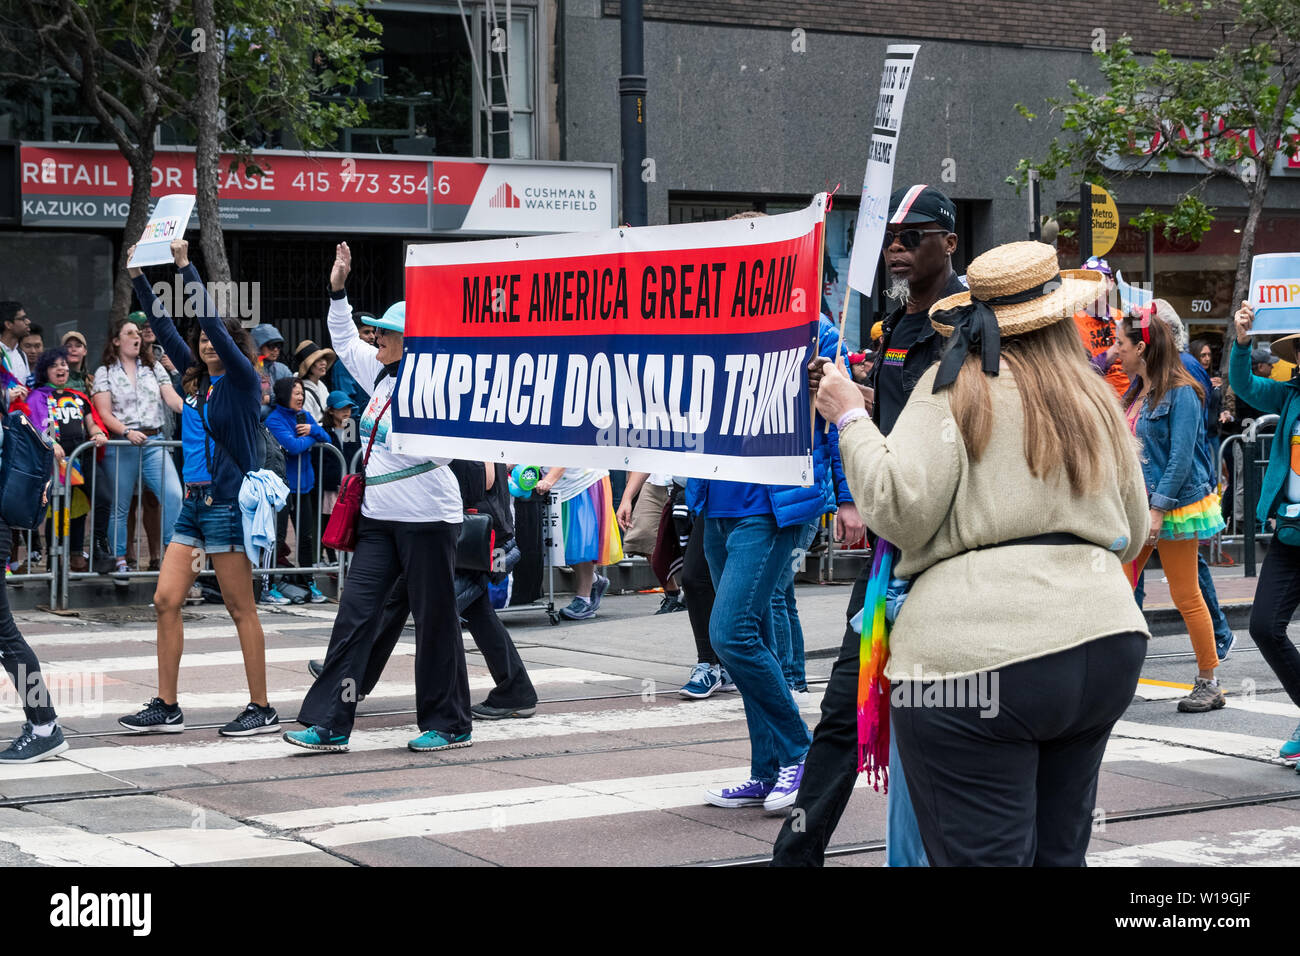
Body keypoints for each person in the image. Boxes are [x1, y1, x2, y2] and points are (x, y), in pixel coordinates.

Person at [810, 240, 1149, 866]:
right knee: (1059, 852)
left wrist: (851, 419)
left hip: (975, 661)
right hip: (1103, 647)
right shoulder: (1097, 399)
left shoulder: (956, 391)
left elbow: (899, 510)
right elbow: (1130, 529)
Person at [772, 184, 967, 867]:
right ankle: (795, 854)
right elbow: (885, 430)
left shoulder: (972, 329)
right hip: (892, 552)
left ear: (949, 241)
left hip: (949, 556)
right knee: (844, 707)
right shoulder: (887, 329)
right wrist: (843, 396)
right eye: (890, 235)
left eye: (914, 236)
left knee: (948, 722)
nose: (897, 247)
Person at [286, 242, 469, 754]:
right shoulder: (381, 374)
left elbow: (452, 447)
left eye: (385, 332)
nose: (376, 337)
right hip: (378, 519)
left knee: (435, 624)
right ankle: (329, 722)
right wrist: (338, 287)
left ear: (409, 340)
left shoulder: (441, 386)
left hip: (430, 518)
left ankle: (450, 723)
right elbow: (343, 338)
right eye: (378, 331)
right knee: (355, 615)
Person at [117, 237, 280, 738]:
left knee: (238, 607)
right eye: (204, 341)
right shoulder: (196, 383)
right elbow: (165, 328)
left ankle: (261, 707)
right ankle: (167, 705)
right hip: (193, 510)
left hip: (229, 509)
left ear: (234, 347)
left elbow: (210, 322)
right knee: (166, 599)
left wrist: (187, 267)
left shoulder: (242, 381)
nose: (208, 343)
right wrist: (139, 277)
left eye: (218, 340)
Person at [1117, 305, 1225, 712]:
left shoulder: (1181, 391)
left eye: (1121, 344)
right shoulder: (1136, 390)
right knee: (1116, 587)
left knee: (1186, 595)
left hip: (1174, 506)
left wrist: (1159, 510)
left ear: (1142, 347)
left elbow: (1180, 459)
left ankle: (1209, 681)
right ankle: (1110, 675)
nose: (1115, 351)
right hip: (1138, 506)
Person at [1227, 305, 1300, 762]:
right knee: (1264, 627)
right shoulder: (1291, 396)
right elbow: (1245, 386)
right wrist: (1239, 344)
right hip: (1292, 535)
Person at [91, 315, 184, 578]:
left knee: (174, 496)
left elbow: (173, 399)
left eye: (138, 333)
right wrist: (126, 431)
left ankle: (172, 555)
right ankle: (120, 559)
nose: (137, 337)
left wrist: (194, 410)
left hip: (154, 441)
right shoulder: (105, 371)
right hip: (121, 443)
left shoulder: (153, 367)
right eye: (130, 333)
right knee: (120, 506)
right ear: (116, 341)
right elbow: (104, 412)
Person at [28, 348, 109, 573]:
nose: (61, 368)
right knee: (61, 509)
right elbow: (36, 426)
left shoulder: (78, 396)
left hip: (83, 459)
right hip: (56, 464)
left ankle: (98, 549)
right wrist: (51, 444)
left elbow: (91, 421)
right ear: (45, 372)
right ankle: (56, 560)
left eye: (63, 364)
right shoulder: (38, 396)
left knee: (100, 498)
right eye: (55, 365)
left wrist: (98, 433)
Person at [264, 377, 330, 604]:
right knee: (278, 536)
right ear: (283, 395)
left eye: (302, 393)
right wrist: (312, 437)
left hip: (305, 486)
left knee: (306, 537)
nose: (300, 397)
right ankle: (268, 585)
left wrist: (312, 430)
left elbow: (327, 436)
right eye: (296, 393)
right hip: (282, 487)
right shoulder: (274, 419)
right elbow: (292, 447)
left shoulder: (305, 417)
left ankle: (309, 583)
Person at [533, 467, 623, 620]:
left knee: (581, 542)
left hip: (582, 481)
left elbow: (567, 450)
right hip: (556, 483)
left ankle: (584, 599)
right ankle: (594, 581)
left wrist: (549, 479)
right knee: (563, 547)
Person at [617, 472, 684, 613]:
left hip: (689, 483)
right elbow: (644, 458)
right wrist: (627, 498)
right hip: (653, 482)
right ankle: (673, 594)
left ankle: (695, 592)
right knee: (643, 536)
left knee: (690, 541)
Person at [1073, 256, 1129, 403]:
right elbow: (1078, 371)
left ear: (1111, 283)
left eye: (1100, 279)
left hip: (1129, 401)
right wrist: (1116, 348)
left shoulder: (1121, 318)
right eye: (1090, 281)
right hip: (1094, 403)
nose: (1095, 285)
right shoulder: (1072, 323)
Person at [251, 324, 292, 421]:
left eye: (279, 346)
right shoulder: (249, 370)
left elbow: (291, 396)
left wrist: (270, 399)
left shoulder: (283, 369)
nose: (276, 350)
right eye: (271, 345)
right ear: (258, 345)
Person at [292, 340, 335, 424]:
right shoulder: (303, 393)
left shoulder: (321, 385)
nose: (323, 363)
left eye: (323, 358)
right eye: (318, 360)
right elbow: (308, 425)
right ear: (308, 367)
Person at [0, 301, 32, 406]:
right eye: (22, 319)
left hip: (17, 418)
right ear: (8, 324)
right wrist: (5, 396)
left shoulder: (22, 355)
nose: (28, 321)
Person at [61, 331, 93, 395]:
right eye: (68, 346)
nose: (73, 349)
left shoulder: (92, 380)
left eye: (78, 346)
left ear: (85, 351)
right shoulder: (56, 380)